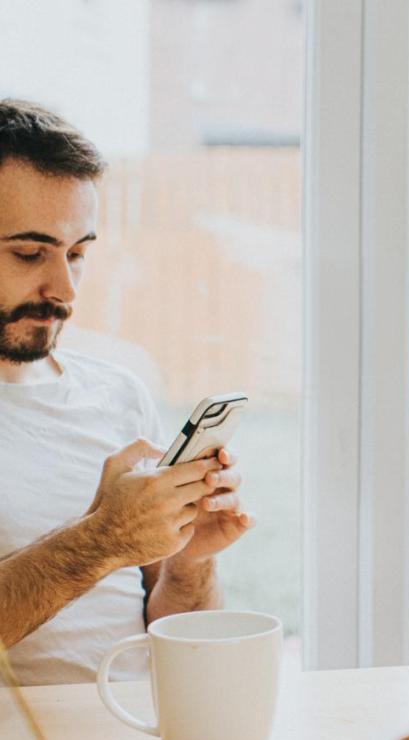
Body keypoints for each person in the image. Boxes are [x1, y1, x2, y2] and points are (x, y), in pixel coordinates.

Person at [0, 98, 255, 685]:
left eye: (79, 253)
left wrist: (189, 562)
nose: (63, 287)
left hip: (139, 737)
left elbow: (183, 649)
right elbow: (102, 545)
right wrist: (102, 540)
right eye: (29, 253)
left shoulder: (118, 393)